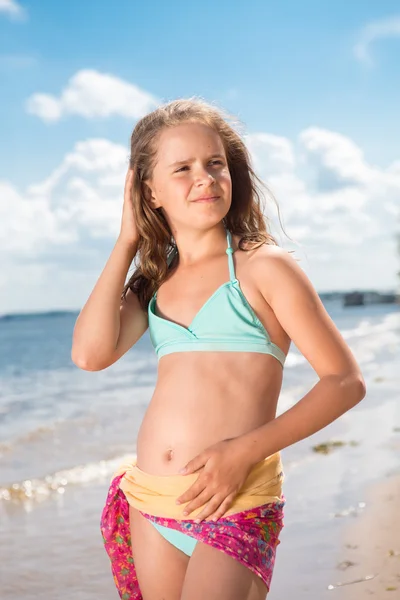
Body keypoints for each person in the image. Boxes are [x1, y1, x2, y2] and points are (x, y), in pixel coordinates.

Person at [71, 98, 366, 600]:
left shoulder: (263, 267)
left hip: (236, 496)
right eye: (182, 169)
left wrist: (242, 453)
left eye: (215, 164)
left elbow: (344, 382)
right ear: (150, 191)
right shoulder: (154, 282)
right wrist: (126, 242)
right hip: (152, 500)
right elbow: (90, 355)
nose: (204, 178)